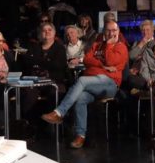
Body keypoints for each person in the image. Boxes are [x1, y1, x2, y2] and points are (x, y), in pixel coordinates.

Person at [42, 19, 129, 149]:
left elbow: (111, 61)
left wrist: (109, 46)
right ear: (104, 31)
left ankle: (59, 112)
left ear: (118, 31)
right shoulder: (97, 44)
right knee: (80, 98)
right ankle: (80, 136)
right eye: (108, 30)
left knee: (82, 80)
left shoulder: (121, 47)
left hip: (110, 84)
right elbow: (87, 60)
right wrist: (102, 65)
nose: (111, 33)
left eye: (114, 30)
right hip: (93, 82)